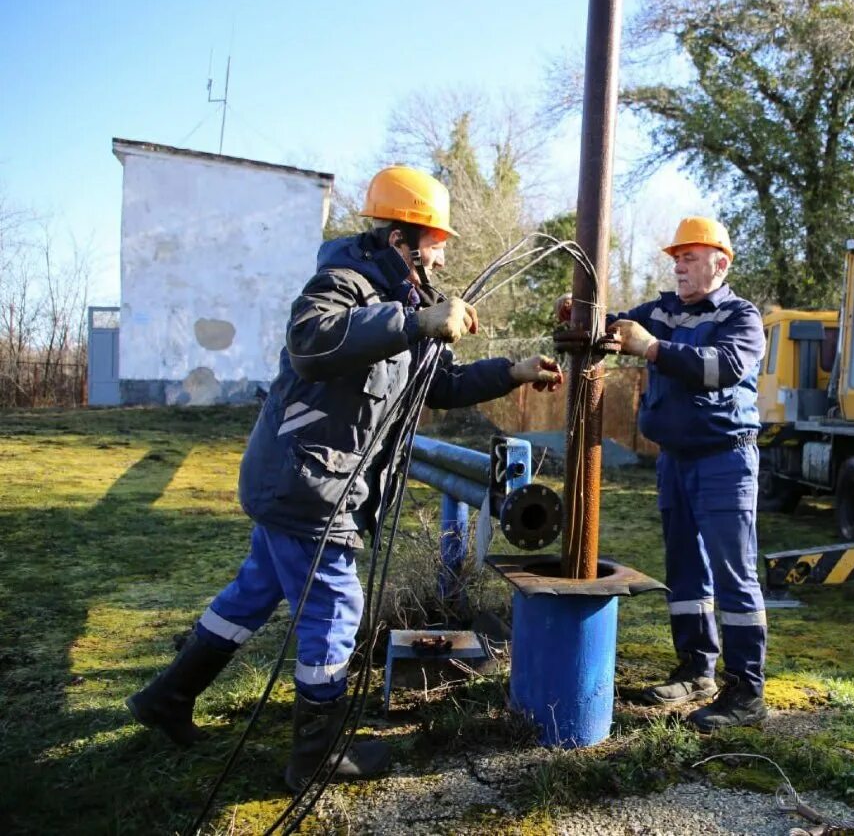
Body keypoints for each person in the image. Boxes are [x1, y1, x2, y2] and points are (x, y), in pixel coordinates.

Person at [126, 165, 563, 790]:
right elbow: (310, 342)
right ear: (399, 240)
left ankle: (166, 698)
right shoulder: (343, 283)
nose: (440, 259)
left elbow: (436, 385)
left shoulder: (403, 305)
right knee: (334, 608)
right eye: (435, 244)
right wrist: (414, 324)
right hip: (310, 487)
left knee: (253, 593)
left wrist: (512, 371)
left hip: (306, 484)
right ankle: (315, 758)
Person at [560, 216, 767, 730]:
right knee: (685, 571)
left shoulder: (741, 317)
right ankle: (697, 671)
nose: (678, 265)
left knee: (733, 576)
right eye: (676, 257)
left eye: (689, 257)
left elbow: (720, 368)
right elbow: (612, 327)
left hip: (726, 459)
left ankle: (747, 692)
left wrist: (650, 347)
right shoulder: (660, 310)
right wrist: (578, 313)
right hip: (675, 460)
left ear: (720, 263)